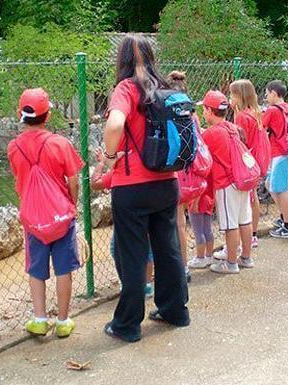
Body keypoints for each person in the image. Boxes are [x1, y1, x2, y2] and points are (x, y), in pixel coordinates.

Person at [102, 35, 189, 343]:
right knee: (168, 248)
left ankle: (127, 324)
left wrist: (111, 158)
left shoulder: (126, 88)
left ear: (121, 60)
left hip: (132, 186)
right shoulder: (165, 87)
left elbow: (114, 126)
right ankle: (174, 310)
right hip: (167, 182)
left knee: (133, 255)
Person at [7, 88, 83, 338]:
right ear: (47, 115)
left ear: (20, 113)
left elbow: (19, 178)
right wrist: (70, 205)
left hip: (33, 218)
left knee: (36, 269)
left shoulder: (14, 147)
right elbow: (74, 180)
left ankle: (39, 319)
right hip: (61, 216)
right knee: (64, 269)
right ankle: (63, 321)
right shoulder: (61, 144)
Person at [199, 90, 254, 274]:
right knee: (244, 220)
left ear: (209, 110)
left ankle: (231, 263)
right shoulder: (231, 127)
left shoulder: (211, 134)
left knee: (230, 225)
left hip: (226, 184)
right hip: (241, 180)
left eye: (204, 110)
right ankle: (246, 257)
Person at [90, 149, 154, 297]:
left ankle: (131, 283)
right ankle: (146, 285)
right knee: (146, 245)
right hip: (148, 205)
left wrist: (101, 164)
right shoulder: (144, 164)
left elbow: (95, 183)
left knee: (117, 247)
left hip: (125, 214)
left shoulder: (119, 171)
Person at [229, 79, 271, 247]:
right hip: (257, 161)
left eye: (232, 94)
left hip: (247, 161)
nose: (230, 97)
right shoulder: (255, 112)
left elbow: (238, 139)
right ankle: (253, 233)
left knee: (249, 200)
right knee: (254, 198)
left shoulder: (242, 117)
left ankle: (248, 236)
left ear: (240, 95)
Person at [166, 70, 195, 282]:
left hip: (167, 172)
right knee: (180, 224)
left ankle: (168, 269)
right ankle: (184, 267)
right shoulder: (191, 113)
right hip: (185, 171)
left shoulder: (164, 111)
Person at [263, 80, 288, 238]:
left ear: (274, 94)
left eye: (267, 93)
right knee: (270, 184)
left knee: (280, 190)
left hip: (279, 153)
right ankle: (284, 217)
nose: (266, 96)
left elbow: (260, 126)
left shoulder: (272, 110)